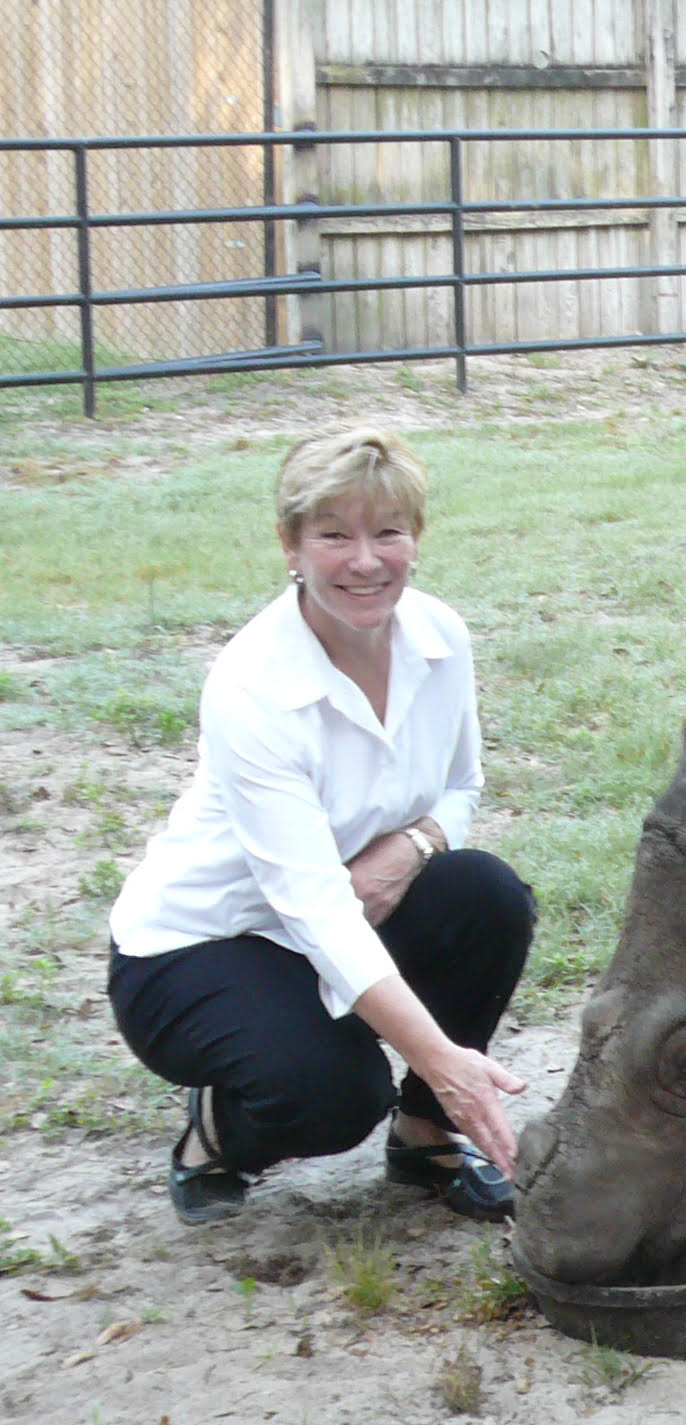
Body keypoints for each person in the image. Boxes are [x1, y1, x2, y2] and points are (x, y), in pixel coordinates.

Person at [106, 425, 532, 1226]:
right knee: (335, 1097)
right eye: (334, 535)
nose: (365, 561)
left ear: (417, 539)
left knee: (486, 895)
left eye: (387, 532)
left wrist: (413, 847)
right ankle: (215, 1132)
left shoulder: (441, 638)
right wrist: (446, 1061)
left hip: (343, 911)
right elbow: (311, 905)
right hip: (202, 947)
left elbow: (460, 784)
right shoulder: (252, 687)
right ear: (291, 546)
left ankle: (426, 1140)